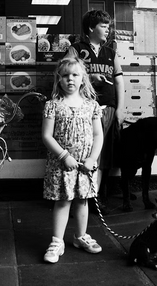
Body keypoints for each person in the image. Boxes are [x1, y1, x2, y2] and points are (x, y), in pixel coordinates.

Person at [41, 57, 104, 263]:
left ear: (83, 78)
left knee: (82, 200)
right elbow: (47, 136)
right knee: (63, 200)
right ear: (58, 79)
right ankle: (57, 241)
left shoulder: (91, 105)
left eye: (75, 75)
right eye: (65, 75)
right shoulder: (52, 105)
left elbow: (97, 135)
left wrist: (93, 158)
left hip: (85, 165)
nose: (70, 79)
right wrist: (64, 156)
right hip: (62, 165)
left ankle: (80, 236)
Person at [65, 10, 125, 206]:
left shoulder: (111, 53)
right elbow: (64, 74)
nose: (108, 30)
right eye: (103, 26)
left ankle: (97, 197)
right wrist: (90, 78)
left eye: (108, 26)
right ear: (91, 28)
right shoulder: (76, 49)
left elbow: (119, 83)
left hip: (108, 109)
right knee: (84, 151)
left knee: (104, 155)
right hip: (83, 109)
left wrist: (120, 108)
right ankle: (80, 196)